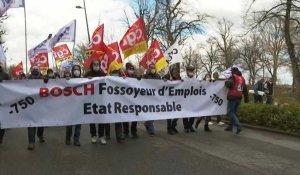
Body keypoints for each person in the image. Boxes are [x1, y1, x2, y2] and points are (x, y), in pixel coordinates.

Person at [85, 59, 110, 144]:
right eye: (94, 64)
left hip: (101, 99)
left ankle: (101, 136)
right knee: (92, 118)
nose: (96, 65)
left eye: (97, 64)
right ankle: (93, 136)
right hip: (90, 99)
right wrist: (86, 79)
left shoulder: (103, 74)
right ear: (92, 65)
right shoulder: (87, 74)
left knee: (101, 118)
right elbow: (81, 83)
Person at [224, 67, 249, 134]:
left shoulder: (233, 77)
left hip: (232, 96)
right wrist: (246, 99)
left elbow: (230, 85)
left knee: (230, 112)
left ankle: (238, 126)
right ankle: (230, 126)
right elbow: (245, 89)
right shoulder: (242, 78)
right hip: (239, 97)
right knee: (234, 112)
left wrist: (226, 82)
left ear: (233, 72)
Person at [27, 66, 45, 150]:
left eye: (36, 69)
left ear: (39, 70)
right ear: (31, 70)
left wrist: (47, 81)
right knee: (31, 123)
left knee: (41, 123)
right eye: (33, 69)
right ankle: (31, 142)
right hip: (30, 104)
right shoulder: (26, 80)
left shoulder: (44, 78)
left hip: (41, 104)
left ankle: (40, 135)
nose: (35, 70)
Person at [65, 65, 82, 146]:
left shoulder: (84, 79)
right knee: (69, 124)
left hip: (80, 105)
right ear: (72, 71)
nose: (76, 71)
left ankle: (76, 139)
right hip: (70, 105)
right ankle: (68, 138)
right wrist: (66, 80)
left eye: (78, 69)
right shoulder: (69, 79)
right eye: (75, 69)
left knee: (78, 124)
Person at [143, 63, 161, 136]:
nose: (153, 69)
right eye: (151, 68)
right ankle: (151, 131)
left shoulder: (158, 76)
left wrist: (165, 80)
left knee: (154, 113)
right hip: (148, 98)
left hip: (155, 98)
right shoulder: (146, 76)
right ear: (149, 69)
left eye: (154, 68)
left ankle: (147, 123)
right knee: (150, 113)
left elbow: (161, 85)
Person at [122, 63, 139, 138]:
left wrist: (139, 78)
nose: (131, 70)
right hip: (125, 99)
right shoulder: (123, 76)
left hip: (134, 100)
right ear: (126, 69)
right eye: (129, 69)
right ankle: (126, 132)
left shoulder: (135, 76)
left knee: (135, 116)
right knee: (125, 116)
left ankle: (134, 131)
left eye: (132, 69)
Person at [164, 65, 181, 135]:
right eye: (174, 70)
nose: (175, 72)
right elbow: (161, 81)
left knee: (177, 114)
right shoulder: (167, 76)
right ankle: (169, 128)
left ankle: (173, 126)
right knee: (170, 115)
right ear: (171, 71)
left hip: (177, 99)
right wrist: (166, 80)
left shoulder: (179, 78)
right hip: (169, 98)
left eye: (177, 70)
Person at [110, 69, 126, 143]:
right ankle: (107, 134)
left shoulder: (122, 77)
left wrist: (124, 76)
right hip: (111, 101)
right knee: (116, 119)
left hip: (121, 101)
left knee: (119, 118)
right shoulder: (108, 77)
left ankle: (120, 135)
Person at [182, 65, 196, 133]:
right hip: (185, 99)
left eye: (192, 71)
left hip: (193, 99)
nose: (191, 72)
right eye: (189, 70)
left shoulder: (195, 79)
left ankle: (190, 125)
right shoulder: (184, 79)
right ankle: (186, 126)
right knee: (185, 113)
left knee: (192, 113)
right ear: (187, 71)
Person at [0, 62, 9, 144]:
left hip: (2, 100)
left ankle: (0, 137)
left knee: (1, 120)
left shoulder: (5, 75)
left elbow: (10, 86)